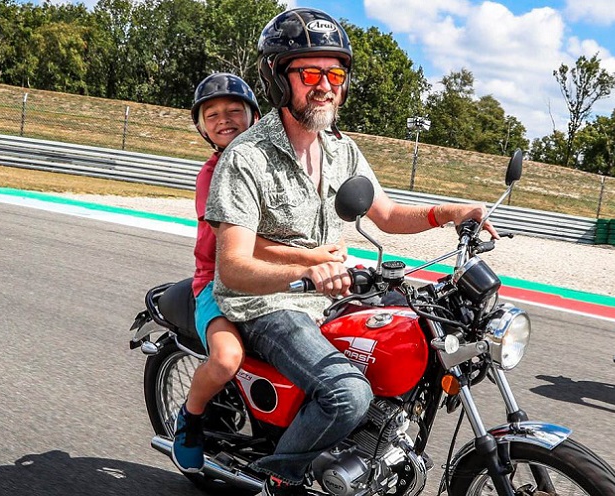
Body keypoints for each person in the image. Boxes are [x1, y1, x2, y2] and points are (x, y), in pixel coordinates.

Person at [203, 8, 497, 495]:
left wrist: (449, 212)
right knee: (346, 394)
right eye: (311, 72)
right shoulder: (246, 157)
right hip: (269, 304)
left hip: (330, 296)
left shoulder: (342, 151)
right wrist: (308, 270)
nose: (326, 85)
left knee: (418, 340)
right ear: (279, 78)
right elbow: (233, 267)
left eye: (334, 73)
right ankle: (279, 478)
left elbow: (386, 214)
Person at [170, 73, 348, 474]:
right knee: (226, 358)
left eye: (234, 110)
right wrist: (310, 257)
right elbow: (240, 246)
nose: (224, 119)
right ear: (201, 126)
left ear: (254, 116)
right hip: (218, 284)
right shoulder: (213, 174)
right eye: (211, 114)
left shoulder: (270, 162)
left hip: (278, 283)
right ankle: (191, 417)